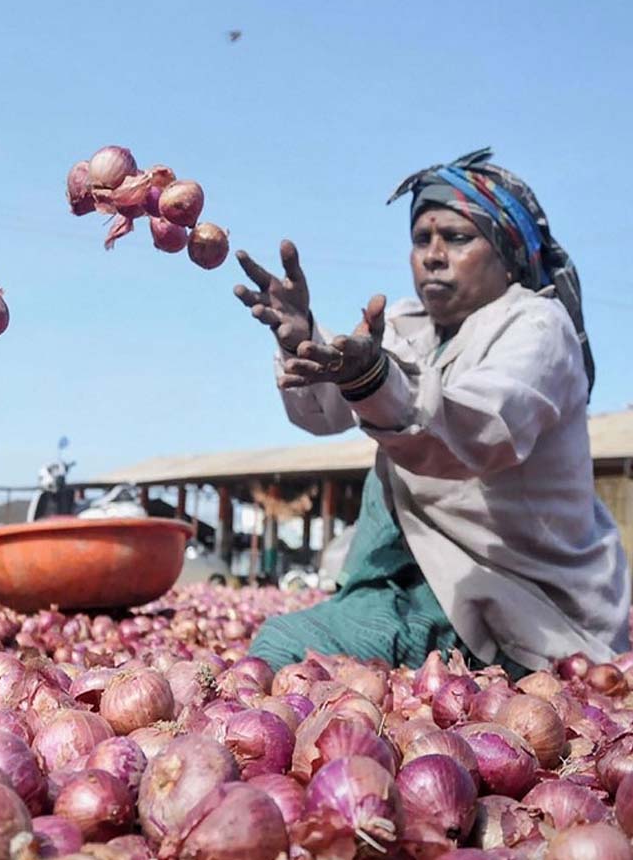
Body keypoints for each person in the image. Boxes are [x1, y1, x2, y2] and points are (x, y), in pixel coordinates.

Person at [235, 148, 629, 675]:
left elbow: (483, 429)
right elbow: (325, 414)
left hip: (511, 596)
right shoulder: (408, 324)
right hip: (424, 580)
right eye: (422, 240)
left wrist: (372, 378)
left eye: (457, 238)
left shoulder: (537, 327)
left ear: (507, 251)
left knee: (285, 649)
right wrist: (305, 340)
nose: (433, 255)